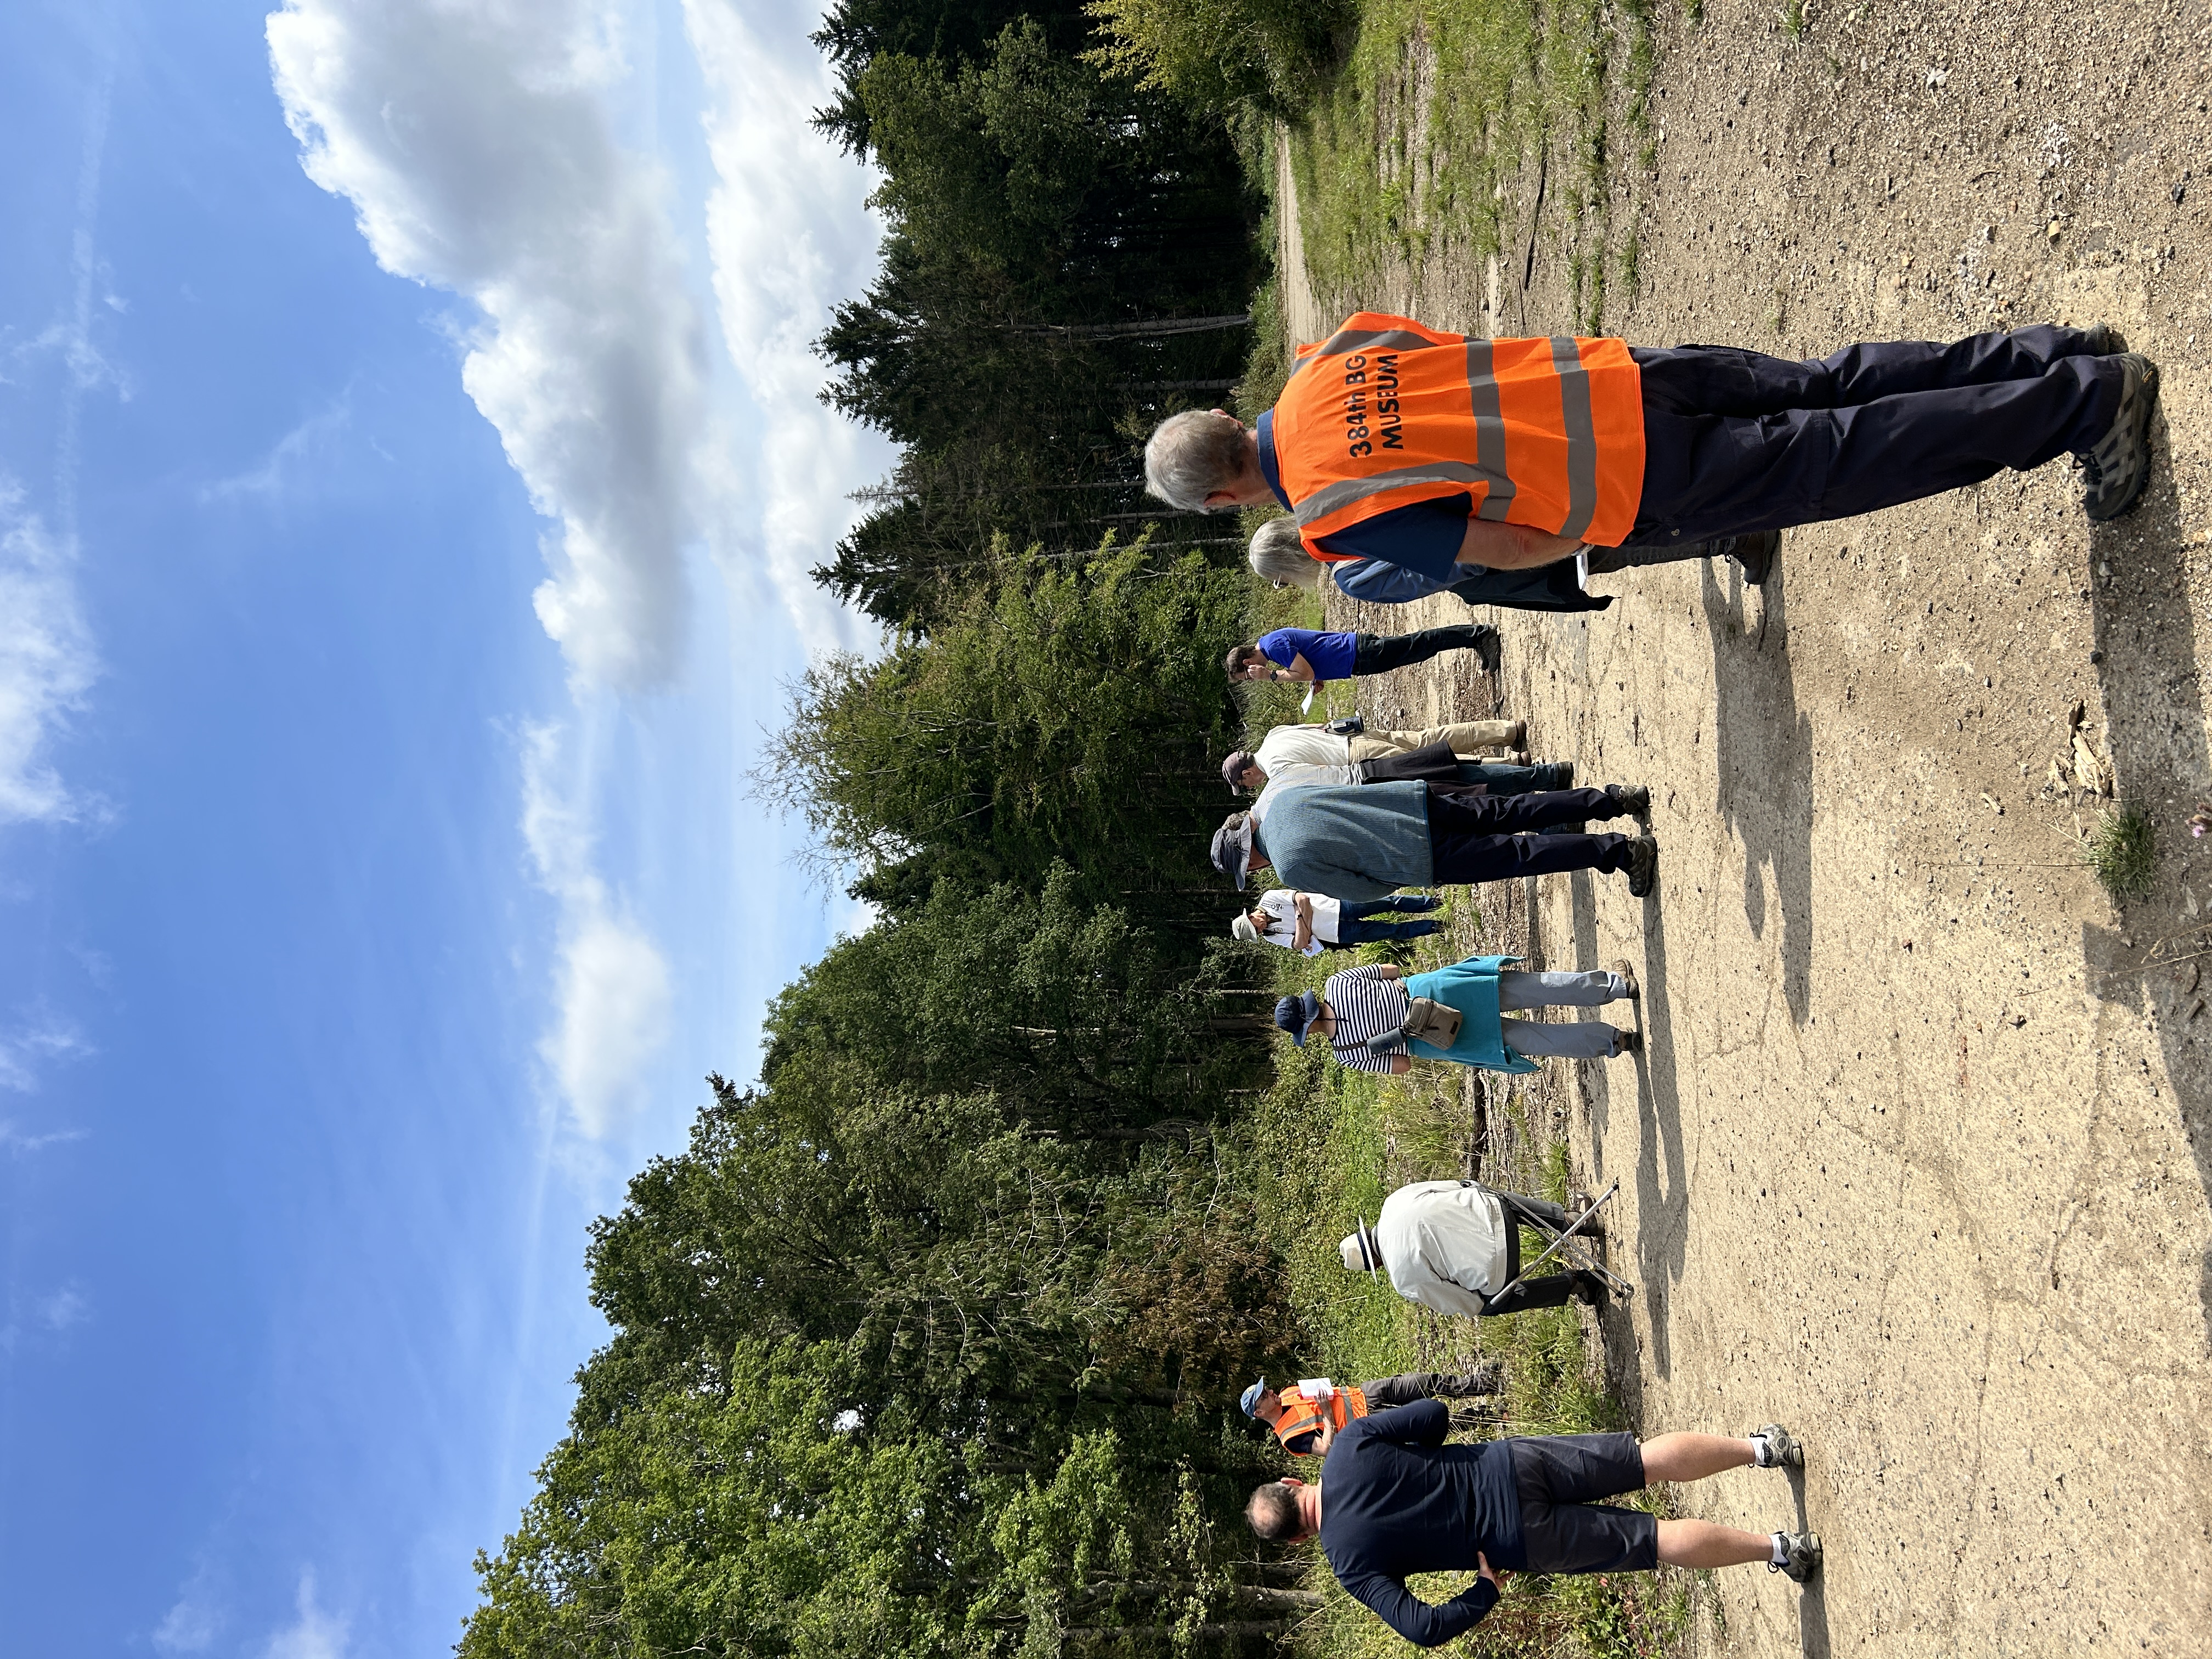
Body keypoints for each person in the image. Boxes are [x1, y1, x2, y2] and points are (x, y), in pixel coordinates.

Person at [1149, 314, 2159, 588]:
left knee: (1855, 452)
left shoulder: (1326, 516)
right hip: (1622, 373)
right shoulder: (1325, 357)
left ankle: (2083, 404)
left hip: (1635, 483)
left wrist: (1581, 540)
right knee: (1836, 380)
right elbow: (1442, 356)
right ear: (1225, 421)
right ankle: (2054, 354)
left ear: (1224, 499)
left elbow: (1491, 547)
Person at [1245, 1406, 1821, 1645]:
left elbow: (1422, 1628)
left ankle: (1782, 1547)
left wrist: (1483, 1591)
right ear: (1294, 1484)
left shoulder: (1349, 1565)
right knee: (1642, 1462)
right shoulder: (1348, 1446)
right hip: (1510, 1464)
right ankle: (1762, 1448)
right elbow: (1435, 1416)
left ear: (1299, 1538)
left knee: (1653, 1542)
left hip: (1517, 1541)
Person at [1209, 780, 1660, 901]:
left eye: (1246, 870)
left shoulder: (1289, 868)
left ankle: (1622, 851)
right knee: (1514, 808)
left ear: (1249, 862)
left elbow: (1361, 891)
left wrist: (1394, 877)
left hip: (1420, 856)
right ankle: (1615, 799)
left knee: (1521, 854)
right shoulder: (1282, 802)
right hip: (1415, 801)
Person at [1248, 514, 1778, 607]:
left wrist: (1490, 563)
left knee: (1610, 550)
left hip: (1489, 558)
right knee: (1608, 523)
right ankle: (1726, 528)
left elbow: (1431, 572)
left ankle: (1733, 538)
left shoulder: (1351, 579)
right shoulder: (1340, 516)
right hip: (1486, 515)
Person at [1276, 958, 1639, 1066]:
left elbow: (1401, 1066)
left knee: (1537, 1039)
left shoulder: (1347, 1055)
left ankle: (1615, 1041)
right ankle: (1616, 987)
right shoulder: (1338, 983)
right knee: (1535, 987)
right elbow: (1391, 971)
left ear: (1307, 1033)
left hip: (1439, 1036)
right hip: (1441, 991)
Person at [1338, 1178, 1614, 1317]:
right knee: (1483, 1196)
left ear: (1373, 1265)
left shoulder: (1402, 1280)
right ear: (1366, 1232)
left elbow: (1456, 1300)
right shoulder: (1393, 1202)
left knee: (1486, 1307)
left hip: (1499, 1270)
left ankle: (1578, 1283)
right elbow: (1455, 1185)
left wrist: (1479, 1304)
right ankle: (1574, 1221)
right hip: (1499, 1213)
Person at [1223, 749, 1573, 826]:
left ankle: (1554, 819)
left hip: (1378, 795)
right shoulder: (1277, 778)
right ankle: (1547, 776)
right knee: (1464, 775)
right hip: (1370, 769)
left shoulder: (1275, 815)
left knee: (1469, 804)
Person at [1240, 1370, 1501, 1456]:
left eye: (1266, 1389)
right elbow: (1327, 1448)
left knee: (1426, 1382)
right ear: (1260, 1412)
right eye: (1264, 1395)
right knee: (1426, 1420)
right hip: (1370, 1424)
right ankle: (1488, 1415)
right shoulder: (1289, 1437)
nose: (1271, 1392)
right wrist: (1328, 1413)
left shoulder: (1286, 1393)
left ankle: (1485, 1383)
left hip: (1366, 1393)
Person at [1226, 624, 1502, 686]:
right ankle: (1474, 640)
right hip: (1354, 656)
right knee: (1417, 649)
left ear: (1249, 663)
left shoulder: (1274, 648)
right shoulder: (1272, 645)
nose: (1251, 679)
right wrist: (1315, 679)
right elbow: (1308, 665)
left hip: (1356, 653)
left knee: (1418, 645)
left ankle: (1479, 635)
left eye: (1247, 676)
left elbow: (1304, 670)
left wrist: (1272, 676)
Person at [1253, 717, 1526, 771]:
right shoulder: (1273, 735)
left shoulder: (1275, 768)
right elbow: (1318, 726)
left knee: (1435, 763)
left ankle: (1513, 764)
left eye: (1245, 785)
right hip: (1355, 737)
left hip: (1357, 760)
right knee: (1430, 738)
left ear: (1246, 774)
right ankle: (1508, 730)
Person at [1233, 889, 1443, 955]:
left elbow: (1303, 899)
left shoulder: (1269, 898)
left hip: (1338, 906)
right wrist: (1300, 917)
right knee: (1390, 932)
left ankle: (1432, 904)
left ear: (1252, 917)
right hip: (1337, 934)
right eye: (1257, 933)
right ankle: (1434, 927)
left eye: (1255, 928)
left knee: (1388, 902)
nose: (1260, 930)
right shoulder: (1271, 936)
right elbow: (1298, 944)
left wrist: (1303, 928)